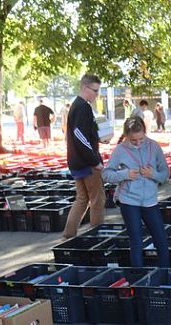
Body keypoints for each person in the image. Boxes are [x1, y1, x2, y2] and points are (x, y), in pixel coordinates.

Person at [102, 116, 170, 267]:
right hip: (129, 200)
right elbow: (106, 174)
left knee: (161, 239)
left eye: (141, 139)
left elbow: (166, 173)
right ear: (127, 136)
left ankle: (165, 273)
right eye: (134, 140)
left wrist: (153, 175)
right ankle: (138, 276)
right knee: (136, 241)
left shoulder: (154, 146)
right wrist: (125, 174)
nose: (139, 143)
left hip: (150, 200)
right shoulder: (120, 150)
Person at [63, 73, 105, 238]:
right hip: (87, 163)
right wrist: (95, 161)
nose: (97, 95)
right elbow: (80, 135)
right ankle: (97, 234)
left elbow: (81, 135)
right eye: (95, 91)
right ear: (85, 88)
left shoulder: (76, 105)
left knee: (82, 199)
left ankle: (69, 234)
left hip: (77, 161)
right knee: (97, 199)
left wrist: (97, 138)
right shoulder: (83, 107)